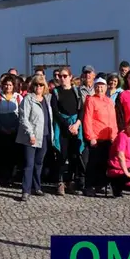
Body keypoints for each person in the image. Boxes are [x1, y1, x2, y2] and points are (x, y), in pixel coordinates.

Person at [51, 66, 86, 195]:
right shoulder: (56, 92)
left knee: (74, 155)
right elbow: (55, 111)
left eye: (65, 76)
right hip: (62, 128)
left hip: (76, 127)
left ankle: (70, 181)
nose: (62, 78)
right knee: (62, 155)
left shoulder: (76, 92)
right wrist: (67, 125)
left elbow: (81, 110)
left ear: (70, 77)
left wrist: (76, 124)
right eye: (60, 76)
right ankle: (60, 181)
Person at [17, 75, 52, 202]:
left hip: (44, 135)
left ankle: (37, 187)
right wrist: (30, 134)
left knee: (39, 163)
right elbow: (23, 118)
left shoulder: (47, 99)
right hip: (31, 136)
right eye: (36, 85)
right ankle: (25, 190)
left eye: (41, 85)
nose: (39, 87)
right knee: (29, 164)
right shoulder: (28, 99)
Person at [82, 78, 117, 196]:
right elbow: (87, 119)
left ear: (106, 88)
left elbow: (113, 120)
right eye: (97, 86)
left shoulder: (109, 101)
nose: (100, 88)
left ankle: (100, 185)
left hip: (108, 137)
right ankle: (89, 186)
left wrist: (114, 135)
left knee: (104, 163)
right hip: (96, 137)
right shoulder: (91, 100)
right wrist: (90, 136)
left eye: (102, 86)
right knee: (93, 163)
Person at [0, 74, 22, 186]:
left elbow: (21, 115)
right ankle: (2, 177)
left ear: (13, 86)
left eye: (10, 85)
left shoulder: (18, 98)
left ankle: (11, 178)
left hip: (14, 131)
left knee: (13, 156)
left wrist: (15, 128)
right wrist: (2, 128)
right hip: (1, 132)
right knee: (2, 155)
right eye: (6, 85)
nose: (8, 87)